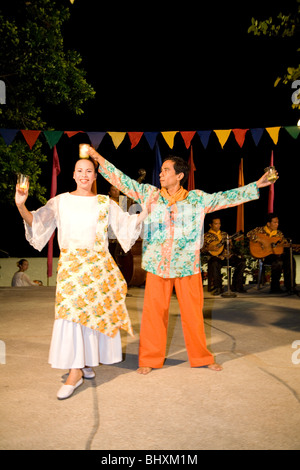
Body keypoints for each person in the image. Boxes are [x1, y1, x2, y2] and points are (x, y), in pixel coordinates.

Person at [88, 146, 275, 374]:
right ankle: (149, 358)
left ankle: (201, 357)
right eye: (162, 170)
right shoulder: (151, 195)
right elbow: (124, 181)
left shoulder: (197, 199)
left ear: (179, 175)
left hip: (188, 266)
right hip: (158, 265)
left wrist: (256, 185)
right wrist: (98, 158)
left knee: (194, 315)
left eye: (166, 170)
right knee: (154, 315)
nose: (160, 174)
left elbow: (226, 197)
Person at [15, 157, 153, 400]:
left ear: (94, 176)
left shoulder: (104, 202)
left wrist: (145, 212)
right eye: (80, 170)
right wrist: (20, 205)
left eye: (89, 171)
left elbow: (126, 224)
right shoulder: (61, 202)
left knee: (90, 317)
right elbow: (37, 222)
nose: (84, 175)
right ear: (73, 174)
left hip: (97, 266)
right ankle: (75, 370)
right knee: (69, 315)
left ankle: (83, 364)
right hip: (71, 266)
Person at [247, 213, 296, 293]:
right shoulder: (260, 230)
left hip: (276, 254)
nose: (277, 224)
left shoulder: (279, 233)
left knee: (290, 259)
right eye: (275, 222)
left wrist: (291, 246)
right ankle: (274, 287)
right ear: (268, 223)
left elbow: (283, 244)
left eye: (278, 222)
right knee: (278, 261)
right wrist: (262, 240)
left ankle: (290, 286)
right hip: (265, 255)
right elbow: (249, 234)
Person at [202, 216, 246, 295]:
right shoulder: (205, 236)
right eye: (216, 224)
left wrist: (229, 242)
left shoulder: (224, 234)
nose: (218, 225)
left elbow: (231, 247)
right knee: (215, 263)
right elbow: (202, 249)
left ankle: (236, 285)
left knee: (241, 262)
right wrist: (210, 248)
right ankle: (218, 287)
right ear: (210, 225)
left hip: (227, 256)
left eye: (219, 224)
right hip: (216, 257)